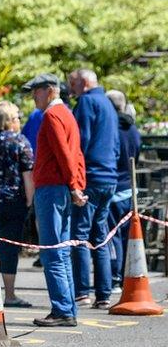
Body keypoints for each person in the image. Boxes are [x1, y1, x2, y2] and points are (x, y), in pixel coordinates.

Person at [25, 73, 87, 327]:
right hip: (61, 187)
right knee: (60, 252)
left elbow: (64, 154)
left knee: (52, 252)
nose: (33, 96)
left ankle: (62, 309)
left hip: (52, 187)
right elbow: (75, 154)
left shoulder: (51, 116)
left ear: (50, 90)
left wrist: (74, 186)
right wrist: (77, 186)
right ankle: (67, 308)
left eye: (36, 91)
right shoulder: (67, 114)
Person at [68, 69, 119, 310]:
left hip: (91, 176)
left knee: (80, 235)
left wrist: (75, 178)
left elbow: (81, 141)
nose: (71, 88)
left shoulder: (87, 102)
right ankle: (104, 292)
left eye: (73, 83)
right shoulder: (108, 103)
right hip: (109, 176)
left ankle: (81, 292)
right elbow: (115, 143)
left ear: (85, 83)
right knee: (100, 236)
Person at [0, 101, 35, 308]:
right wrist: (30, 201)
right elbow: (27, 174)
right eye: (17, 117)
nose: (20, 121)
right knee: (10, 249)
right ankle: (9, 294)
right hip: (13, 200)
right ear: (10, 121)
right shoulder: (20, 142)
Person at [106, 90, 141, 292]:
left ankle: (115, 275)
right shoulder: (133, 130)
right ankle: (129, 273)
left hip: (114, 186)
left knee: (112, 235)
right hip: (130, 187)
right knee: (130, 234)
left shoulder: (111, 130)